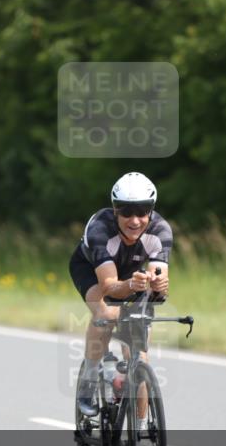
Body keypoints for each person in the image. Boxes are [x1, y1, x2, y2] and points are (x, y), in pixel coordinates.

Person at [68, 172, 172, 431]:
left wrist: (159, 287)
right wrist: (130, 285)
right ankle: (90, 379)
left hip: (131, 276)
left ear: (152, 210)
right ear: (115, 211)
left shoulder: (161, 230)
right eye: (126, 212)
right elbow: (108, 286)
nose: (135, 220)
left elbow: (159, 282)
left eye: (143, 211)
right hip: (93, 271)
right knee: (104, 315)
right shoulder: (100, 228)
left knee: (141, 359)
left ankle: (141, 435)